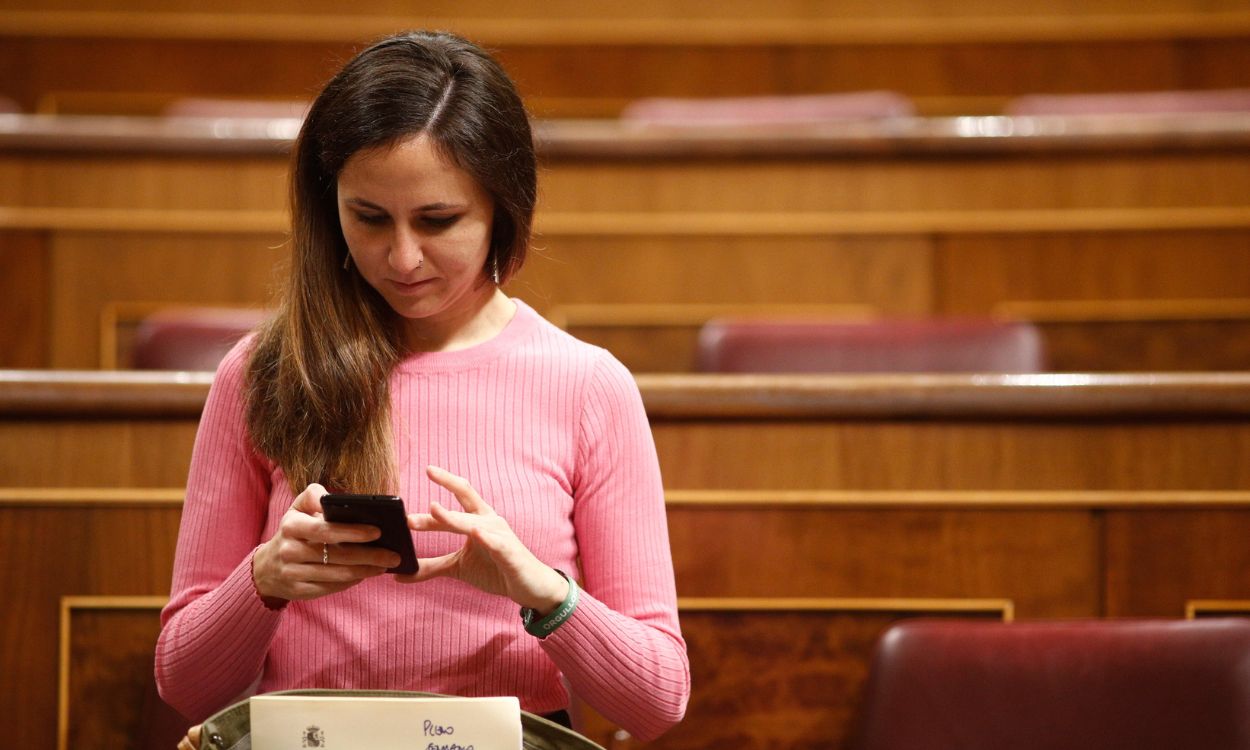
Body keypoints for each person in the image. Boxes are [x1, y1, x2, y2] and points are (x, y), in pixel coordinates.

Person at [155, 29, 690, 743]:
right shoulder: (263, 373)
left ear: (504, 208)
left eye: (439, 221)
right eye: (369, 218)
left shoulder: (588, 386)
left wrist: (544, 595)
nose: (402, 258)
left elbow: (657, 702)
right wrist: (264, 581)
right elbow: (184, 683)